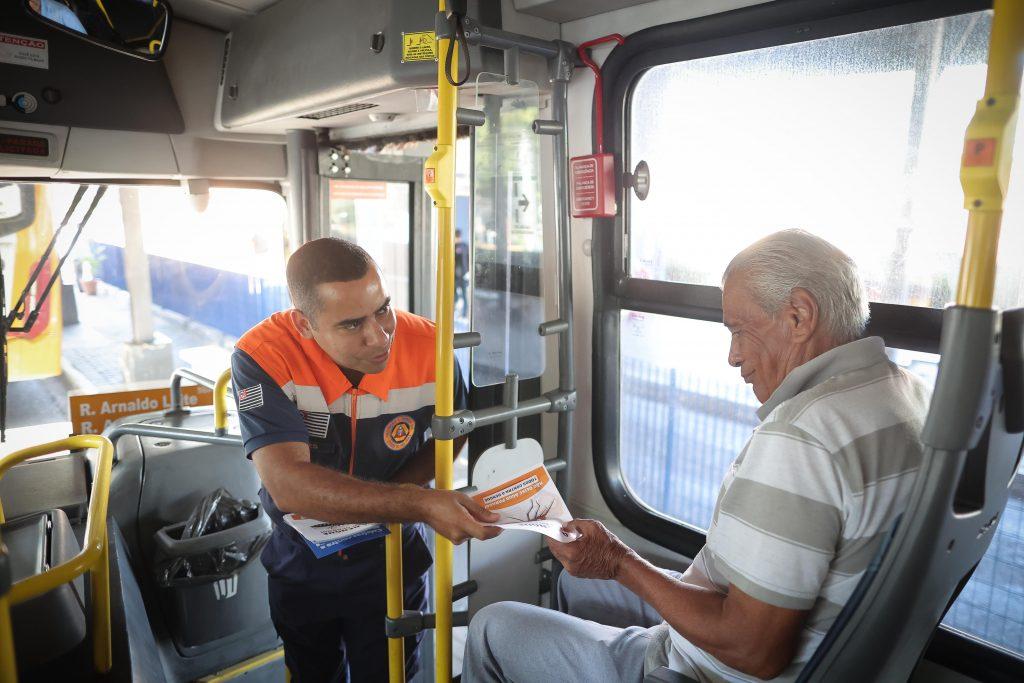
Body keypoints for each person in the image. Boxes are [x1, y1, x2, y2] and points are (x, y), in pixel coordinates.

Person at [463, 230, 931, 682]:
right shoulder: (907, 396)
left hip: (704, 669)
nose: (733, 356)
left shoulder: (803, 436)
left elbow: (753, 650)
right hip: (777, 637)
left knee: (491, 627)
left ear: (799, 316)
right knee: (575, 582)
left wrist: (618, 561)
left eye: (741, 331)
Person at [231, 238, 500, 682]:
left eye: (383, 309)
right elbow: (289, 485)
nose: (379, 336)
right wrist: (418, 503)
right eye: (352, 324)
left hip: (393, 555)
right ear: (304, 324)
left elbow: (451, 438)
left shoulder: (430, 347)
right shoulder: (264, 356)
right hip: (301, 560)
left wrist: (406, 497)